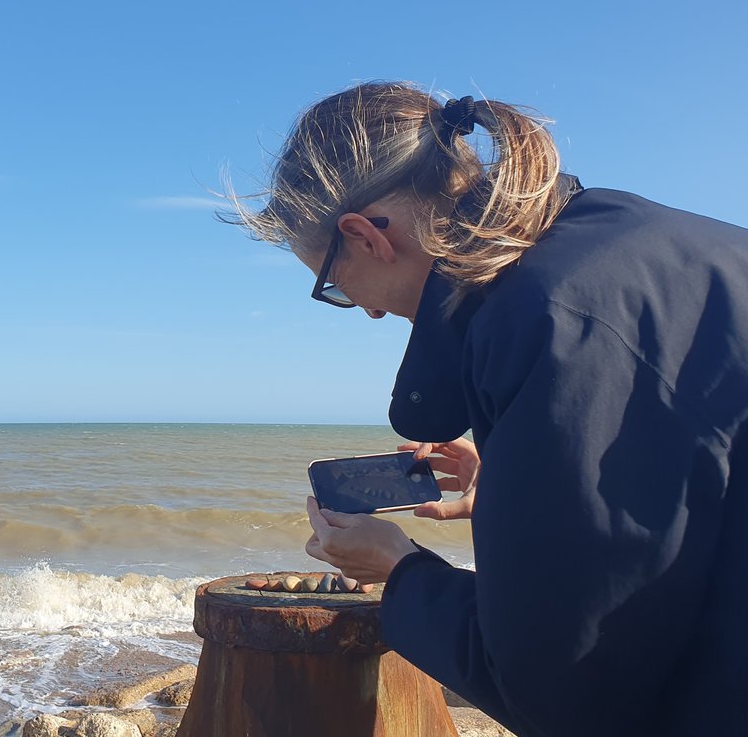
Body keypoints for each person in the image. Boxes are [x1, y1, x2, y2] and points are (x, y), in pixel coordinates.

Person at [224, 81, 748, 736]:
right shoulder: (627, 236)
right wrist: (515, 486)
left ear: (363, 236)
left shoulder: (542, 318)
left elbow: (561, 693)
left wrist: (399, 569)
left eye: (332, 285)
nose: (367, 309)